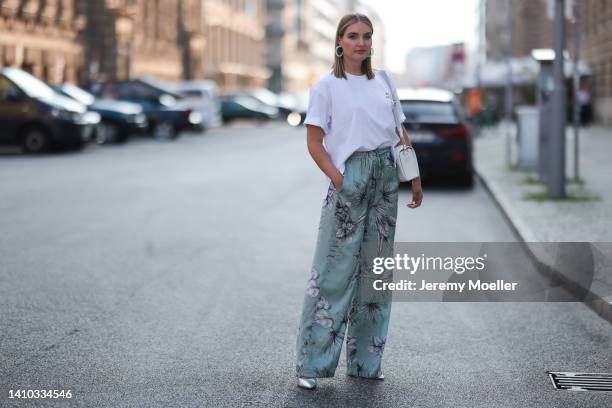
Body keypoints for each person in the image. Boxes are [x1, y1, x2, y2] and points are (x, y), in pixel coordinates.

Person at [295, 13, 423, 390]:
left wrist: (412, 174)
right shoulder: (327, 86)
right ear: (339, 42)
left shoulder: (383, 80)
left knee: (376, 274)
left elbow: (400, 131)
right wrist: (339, 178)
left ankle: (366, 363)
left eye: (367, 37)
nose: (361, 43)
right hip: (350, 174)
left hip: (385, 175)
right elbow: (314, 142)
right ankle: (311, 365)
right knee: (333, 274)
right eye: (353, 36)